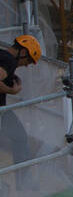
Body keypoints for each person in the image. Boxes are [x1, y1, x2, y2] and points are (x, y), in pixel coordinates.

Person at [0, 35, 40, 166]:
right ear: (23, 52)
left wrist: (14, 77)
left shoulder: (3, 55)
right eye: (28, 61)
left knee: (19, 137)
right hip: (1, 111)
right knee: (20, 138)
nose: (26, 65)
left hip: (2, 111)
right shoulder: (9, 61)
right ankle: (23, 180)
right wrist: (11, 91)